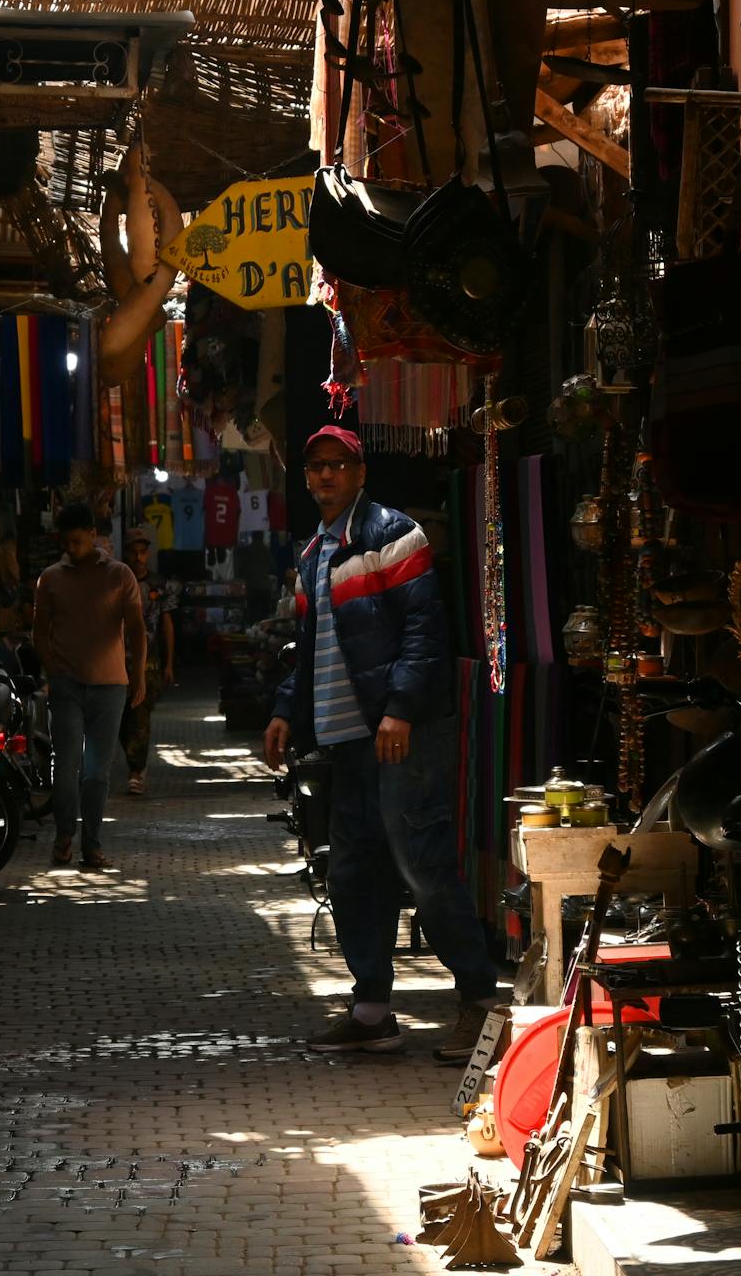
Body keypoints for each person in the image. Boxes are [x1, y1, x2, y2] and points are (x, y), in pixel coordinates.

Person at [262, 425, 501, 1062]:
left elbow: (425, 629)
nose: (325, 476)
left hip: (403, 735)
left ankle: (480, 1002)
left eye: (338, 465)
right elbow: (310, 650)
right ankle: (371, 1009)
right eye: (315, 467)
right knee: (352, 873)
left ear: (361, 473)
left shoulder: (392, 536)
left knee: (421, 866)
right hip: (347, 739)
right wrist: (288, 710)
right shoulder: (314, 554)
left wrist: (399, 710)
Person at [35, 503, 146, 871]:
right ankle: (65, 833)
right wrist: (53, 670)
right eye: (67, 542)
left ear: (94, 537)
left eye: (78, 541)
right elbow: (40, 631)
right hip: (66, 686)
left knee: (97, 771)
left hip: (110, 687)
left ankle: (92, 844)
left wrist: (139, 676)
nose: (72, 548)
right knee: (65, 767)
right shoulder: (50, 578)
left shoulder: (120, 575)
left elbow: (136, 630)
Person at [119, 527, 178, 795]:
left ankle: (136, 770)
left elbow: (167, 623)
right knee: (121, 719)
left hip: (149, 661)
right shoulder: (118, 582)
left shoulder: (158, 585)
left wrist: (168, 663)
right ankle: (135, 762)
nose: (138, 557)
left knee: (139, 715)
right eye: (134, 551)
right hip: (119, 661)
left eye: (143, 552)